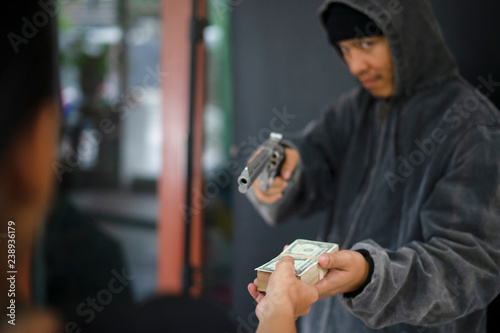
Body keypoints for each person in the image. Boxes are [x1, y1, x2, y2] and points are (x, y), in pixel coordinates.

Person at [246, 0, 500, 332]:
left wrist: (370, 274)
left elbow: (471, 267)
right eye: (346, 50)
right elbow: (312, 160)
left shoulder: (473, 126)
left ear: (409, 34)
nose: (356, 66)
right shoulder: (353, 110)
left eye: (367, 44)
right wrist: (280, 169)